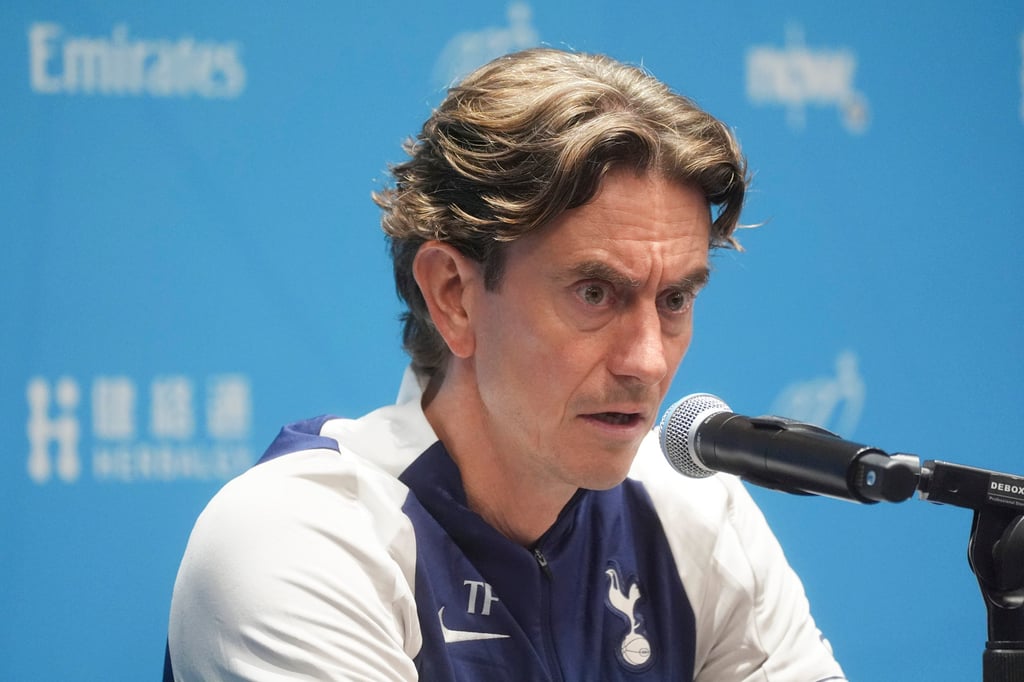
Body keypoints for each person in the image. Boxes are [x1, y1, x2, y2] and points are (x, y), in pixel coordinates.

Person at [165, 48, 846, 681]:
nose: (646, 361)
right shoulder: (300, 537)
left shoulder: (695, 515)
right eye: (594, 293)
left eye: (674, 299)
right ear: (454, 297)